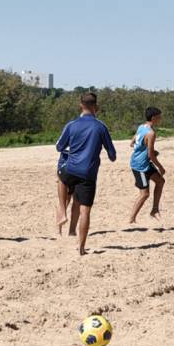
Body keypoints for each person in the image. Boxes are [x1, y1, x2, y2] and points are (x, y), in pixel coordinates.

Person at [55, 92, 117, 255]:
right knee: (85, 211)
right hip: (88, 173)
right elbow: (112, 156)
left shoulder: (71, 125)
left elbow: (59, 146)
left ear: (80, 105)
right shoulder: (101, 127)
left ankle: (62, 210)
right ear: (96, 107)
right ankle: (81, 248)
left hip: (71, 169)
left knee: (61, 176)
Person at [129, 107, 166, 224]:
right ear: (154, 117)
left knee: (160, 182)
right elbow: (150, 155)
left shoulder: (141, 127)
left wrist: (144, 150)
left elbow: (132, 142)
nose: (160, 119)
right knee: (144, 194)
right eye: (159, 117)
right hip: (140, 166)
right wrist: (160, 167)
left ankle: (154, 210)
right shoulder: (151, 133)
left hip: (144, 163)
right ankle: (131, 219)